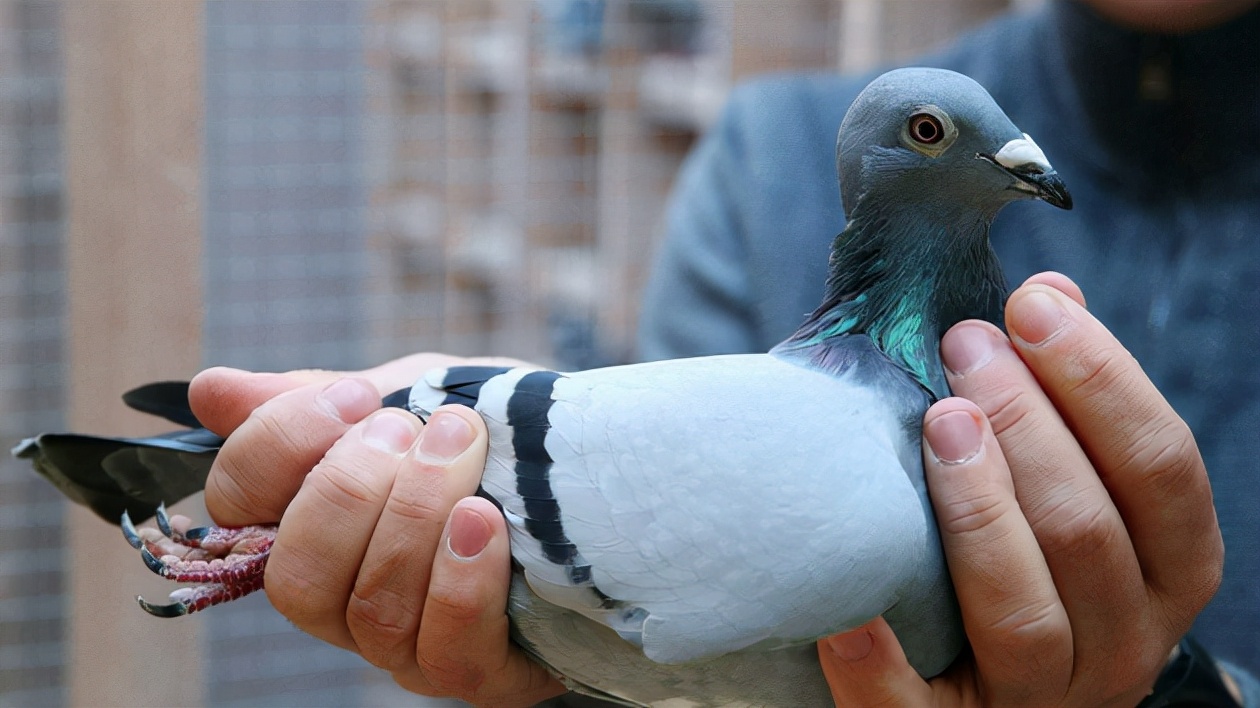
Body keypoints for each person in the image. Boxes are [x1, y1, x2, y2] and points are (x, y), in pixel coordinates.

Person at [185, 0, 1260, 704]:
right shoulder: (765, 161)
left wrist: (1175, 694)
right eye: (935, 138)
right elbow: (667, 642)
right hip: (498, 485)